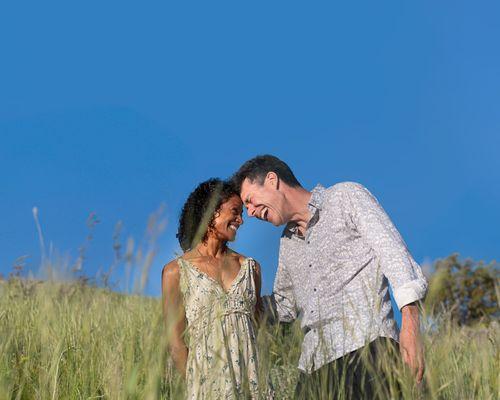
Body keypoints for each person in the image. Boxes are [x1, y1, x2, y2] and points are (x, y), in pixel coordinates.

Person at [232, 155, 428, 399]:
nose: (249, 212)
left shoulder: (346, 197)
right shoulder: (287, 242)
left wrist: (410, 325)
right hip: (314, 369)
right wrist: (235, 296)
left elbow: (395, 254)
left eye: (250, 201)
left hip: (368, 351)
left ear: (272, 180)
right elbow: (285, 306)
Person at [162, 178, 265, 399]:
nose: (240, 220)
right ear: (211, 213)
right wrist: (198, 384)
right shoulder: (176, 272)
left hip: (251, 385)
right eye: (235, 212)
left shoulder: (250, 268)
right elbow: (176, 343)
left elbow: (257, 328)